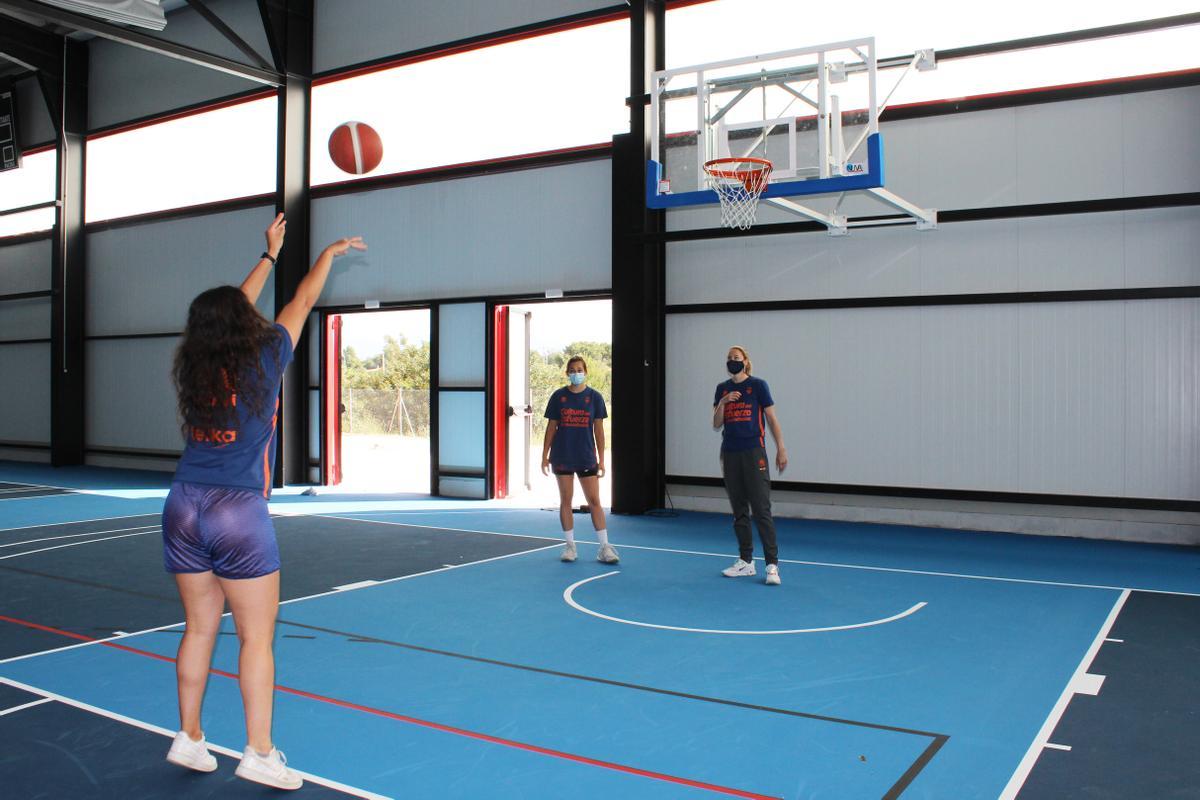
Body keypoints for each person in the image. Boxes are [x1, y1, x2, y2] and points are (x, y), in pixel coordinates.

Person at [162, 212, 366, 789]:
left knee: (198, 628)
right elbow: (301, 300)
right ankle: (258, 751)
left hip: (182, 502)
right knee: (256, 637)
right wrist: (325, 252)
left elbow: (227, 312)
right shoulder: (268, 355)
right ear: (242, 323)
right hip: (236, 509)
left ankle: (189, 737)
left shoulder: (195, 365)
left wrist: (268, 256)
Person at [712, 345, 787, 586]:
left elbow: (772, 419)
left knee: (761, 509)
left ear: (745, 361)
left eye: (737, 357)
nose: (732, 361)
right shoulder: (722, 389)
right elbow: (716, 423)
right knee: (739, 510)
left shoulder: (758, 386)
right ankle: (745, 561)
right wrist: (722, 403)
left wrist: (781, 448)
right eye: (729, 358)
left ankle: (772, 565)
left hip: (754, 453)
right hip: (730, 453)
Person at [541, 356, 618, 564]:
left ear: (586, 372)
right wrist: (544, 456)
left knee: (594, 501)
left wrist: (602, 460)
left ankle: (604, 547)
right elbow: (551, 427)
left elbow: (599, 432)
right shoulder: (558, 397)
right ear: (567, 373)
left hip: (586, 457)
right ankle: (570, 546)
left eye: (579, 370)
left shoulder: (595, 398)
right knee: (566, 500)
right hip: (562, 455)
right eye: (572, 370)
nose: (576, 373)